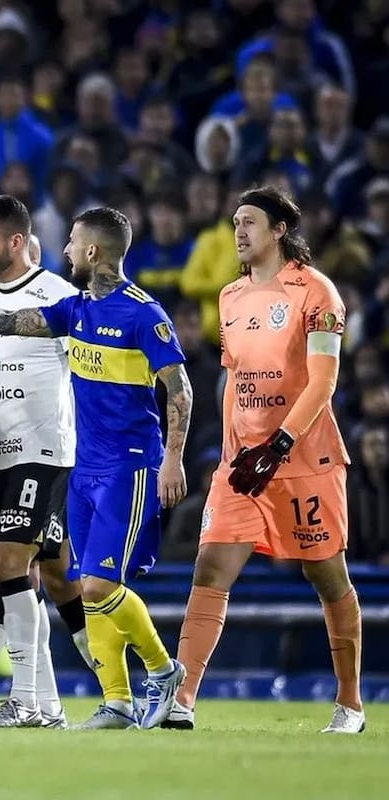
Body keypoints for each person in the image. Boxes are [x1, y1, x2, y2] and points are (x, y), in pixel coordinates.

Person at [0, 206, 192, 730]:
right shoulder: (68, 308)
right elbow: (0, 324)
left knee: (66, 579)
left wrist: (175, 457)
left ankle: (152, 673)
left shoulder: (119, 308)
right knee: (57, 579)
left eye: (72, 241)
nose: (64, 248)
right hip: (33, 457)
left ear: (90, 251)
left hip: (92, 459)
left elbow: (178, 386)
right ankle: (107, 700)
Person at [170, 185, 364, 734]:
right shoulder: (229, 297)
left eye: (249, 221)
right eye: (234, 221)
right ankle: (182, 699)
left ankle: (349, 703)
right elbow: (233, 378)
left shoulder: (317, 293)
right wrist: (234, 448)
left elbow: (324, 380)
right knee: (210, 568)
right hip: (244, 464)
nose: (238, 231)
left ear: (279, 229)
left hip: (304, 461)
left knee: (326, 577)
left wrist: (279, 444)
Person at [0, 196, 86, 729]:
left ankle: (26, 701)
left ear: (16, 242)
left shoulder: (58, 296)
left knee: (13, 568)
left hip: (43, 452)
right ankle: (44, 704)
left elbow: (89, 374)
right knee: (15, 577)